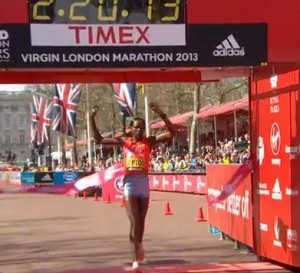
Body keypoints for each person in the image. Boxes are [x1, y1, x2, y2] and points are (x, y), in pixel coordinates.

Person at [90, 102, 175, 270]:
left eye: (142, 127)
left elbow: (172, 133)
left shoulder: (149, 141)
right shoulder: (125, 141)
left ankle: (139, 245)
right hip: (129, 184)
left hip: (143, 183)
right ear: (130, 128)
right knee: (134, 221)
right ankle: (135, 258)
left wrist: (162, 114)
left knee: (141, 223)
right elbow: (99, 139)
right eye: (136, 127)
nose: (139, 130)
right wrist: (91, 118)